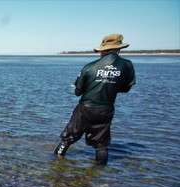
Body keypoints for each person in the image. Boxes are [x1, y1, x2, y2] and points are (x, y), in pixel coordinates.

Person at [54, 33, 136, 165]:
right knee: (101, 144)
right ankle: (99, 175)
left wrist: (81, 88)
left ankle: (56, 164)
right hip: (106, 108)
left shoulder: (90, 67)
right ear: (119, 49)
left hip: (85, 108)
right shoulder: (127, 65)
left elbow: (77, 92)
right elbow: (126, 88)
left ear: (103, 50)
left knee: (67, 138)